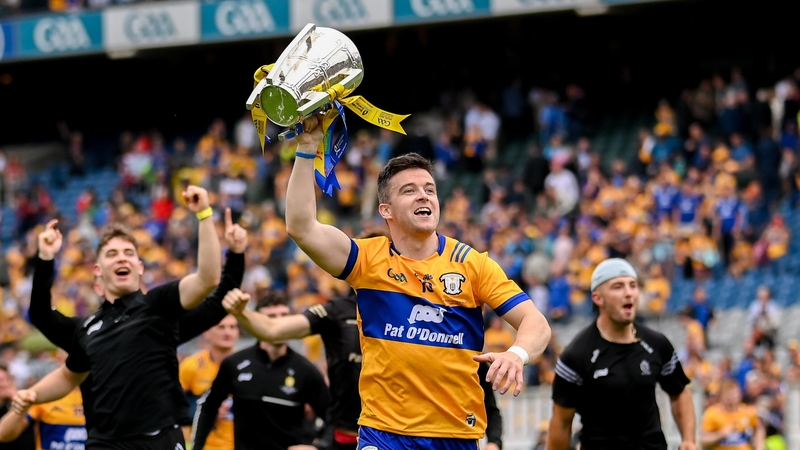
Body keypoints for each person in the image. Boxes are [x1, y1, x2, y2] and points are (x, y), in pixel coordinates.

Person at [284, 116, 550, 449]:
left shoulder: (472, 264)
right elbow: (301, 227)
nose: (423, 196)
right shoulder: (367, 259)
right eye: (409, 191)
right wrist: (307, 149)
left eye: (429, 190)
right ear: (386, 210)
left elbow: (536, 323)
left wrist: (517, 354)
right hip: (384, 434)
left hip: (455, 435)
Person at [11, 185, 226, 449]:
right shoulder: (87, 327)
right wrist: (33, 394)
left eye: (128, 253)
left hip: (160, 440)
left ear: (139, 267)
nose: (121, 259)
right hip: (106, 444)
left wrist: (204, 214)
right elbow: (68, 376)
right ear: (98, 270)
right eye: (112, 254)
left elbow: (208, 278)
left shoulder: (158, 305)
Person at [222, 288, 505, 450]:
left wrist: (494, 440)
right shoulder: (336, 311)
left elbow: (485, 400)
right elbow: (273, 330)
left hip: (403, 435)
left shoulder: (425, 320)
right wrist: (242, 313)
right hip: (346, 434)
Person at [547, 258, 697, 450]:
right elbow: (561, 422)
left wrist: (688, 439)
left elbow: (680, 393)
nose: (628, 293)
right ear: (598, 298)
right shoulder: (576, 355)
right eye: (618, 287)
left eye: (633, 285)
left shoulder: (657, 344)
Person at [192, 290, 331, 450]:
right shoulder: (234, 364)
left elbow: (335, 419)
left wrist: (319, 447)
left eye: (284, 315)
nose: (279, 322)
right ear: (256, 321)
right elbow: (208, 408)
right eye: (271, 317)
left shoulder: (306, 370)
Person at [0, 351, 84, 450]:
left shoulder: (97, 395)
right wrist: (21, 403)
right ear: (58, 358)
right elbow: (3, 434)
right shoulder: (46, 393)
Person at [179, 315, 240, 449]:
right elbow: (176, 409)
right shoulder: (190, 366)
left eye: (232, 327)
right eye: (221, 327)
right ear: (206, 332)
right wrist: (208, 408)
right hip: (204, 445)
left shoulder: (248, 366)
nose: (227, 332)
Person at [700, 379, 765, 450]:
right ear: (721, 396)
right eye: (728, 395)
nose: (732, 398)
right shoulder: (712, 413)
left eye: (734, 394)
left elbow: (759, 428)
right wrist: (720, 434)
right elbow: (703, 439)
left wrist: (759, 446)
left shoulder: (747, 411)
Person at [0, 363, 34, 450]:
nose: (4, 384)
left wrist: (17, 400)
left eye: (6, 379)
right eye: (0, 380)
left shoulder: (11, 404)